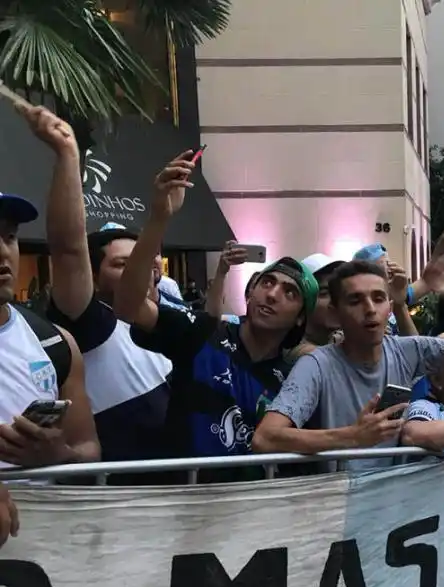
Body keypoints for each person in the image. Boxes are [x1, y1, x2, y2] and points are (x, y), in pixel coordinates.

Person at [113, 152, 318, 465]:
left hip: (254, 507)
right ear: (251, 293)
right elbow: (128, 305)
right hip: (184, 501)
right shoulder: (203, 332)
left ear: (301, 317)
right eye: (267, 283)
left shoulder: (293, 381)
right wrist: (159, 218)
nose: (273, 294)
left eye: (289, 292)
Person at [20, 103, 172, 463]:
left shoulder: (174, 326)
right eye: (122, 264)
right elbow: (69, 250)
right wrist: (68, 155)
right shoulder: (92, 325)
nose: (141, 272)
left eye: (145, 261)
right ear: (95, 276)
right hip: (118, 502)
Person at [253, 256, 444, 470]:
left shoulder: (408, 350)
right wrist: (351, 436)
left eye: (378, 298)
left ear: (389, 306)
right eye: (355, 300)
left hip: (395, 504)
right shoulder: (316, 365)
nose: (370, 309)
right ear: (336, 311)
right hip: (339, 506)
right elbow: (265, 438)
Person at [0, 185, 99, 472]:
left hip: (49, 513)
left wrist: (59, 455)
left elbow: (89, 449)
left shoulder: (54, 343)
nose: (4, 252)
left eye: (9, 237)